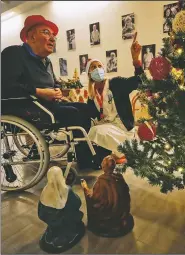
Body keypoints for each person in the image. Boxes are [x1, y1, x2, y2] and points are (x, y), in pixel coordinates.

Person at [1, 15, 92, 169]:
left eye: (53, 36)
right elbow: (7, 85)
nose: (52, 38)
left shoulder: (46, 61)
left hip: (45, 105)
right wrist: (39, 92)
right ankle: (86, 160)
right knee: (74, 113)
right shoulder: (13, 54)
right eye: (46, 33)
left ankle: (87, 155)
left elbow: (53, 82)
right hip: (24, 107)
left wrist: (56, 90)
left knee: (85, 108)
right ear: (31, 36)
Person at [86, 32, 143, 164]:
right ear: (89, 73)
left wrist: (136, 60)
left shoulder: (116, 83)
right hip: (108, 128)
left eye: (99, 66)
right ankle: (123, 153)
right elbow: (91, 115)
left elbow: (139, 82)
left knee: (96, 132)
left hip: (122, 127)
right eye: (93, 67)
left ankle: (128, 150)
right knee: (93, 131)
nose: (97, 69)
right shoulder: (91, 95)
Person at [81, 155, 134, 237]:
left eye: (103, 163)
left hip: (108, 214)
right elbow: (126, 192)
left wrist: (85, 187)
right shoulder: (119, 177)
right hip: (122, 212)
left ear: (104, 167)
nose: (101, 164)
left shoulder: (101, 181)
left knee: (92, 203)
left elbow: (94, 198)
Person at [38, 166, 85, 253]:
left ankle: (53, 233)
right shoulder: (67, 190)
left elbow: (40, 210)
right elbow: (77, 203)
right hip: (63, 220)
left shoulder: (45, 190)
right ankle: (65, 235)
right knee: (75, 215)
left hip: (50, 220)